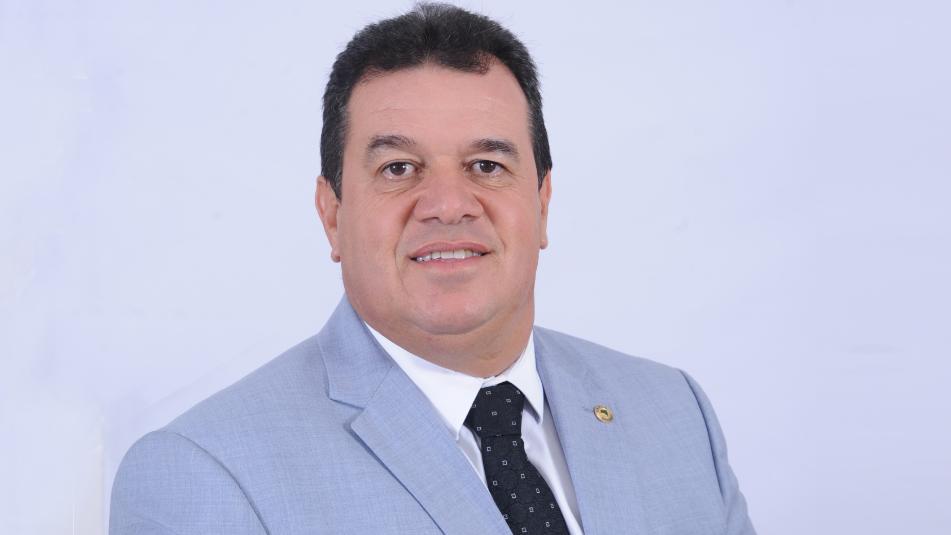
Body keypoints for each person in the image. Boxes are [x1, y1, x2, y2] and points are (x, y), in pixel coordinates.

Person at [110, 4, 756, 534]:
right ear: (331, 215)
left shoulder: (674, 413)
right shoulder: (203, 476)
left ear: (542, 203)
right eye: (399, 168)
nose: (448, 204)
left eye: (486, 165)